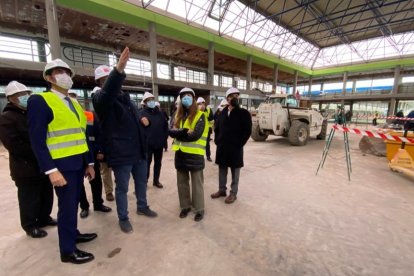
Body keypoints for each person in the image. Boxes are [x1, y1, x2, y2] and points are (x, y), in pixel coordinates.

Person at [27, 59, 97, 264]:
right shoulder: (40, 100)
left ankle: (73, 234)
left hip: (78, 164)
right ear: (49, 77)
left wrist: (90, 163)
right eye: (59, 72)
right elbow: (37, 140)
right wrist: (50, 170)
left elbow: (82, 135)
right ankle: (67, 250)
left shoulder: (74, 103)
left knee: (73, 204)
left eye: (67, 72)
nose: (65, 75)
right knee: (66, 207)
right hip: (61, 167)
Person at [92, 47, 157, 234]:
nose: (111, 84)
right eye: (105, 80)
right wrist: (118, 70)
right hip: (122, 153)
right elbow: (107, 93)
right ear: (100, 82)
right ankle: (123, 217)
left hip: (138, 151)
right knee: (122, 188)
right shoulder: (100, 99)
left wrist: (142, 121)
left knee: (141, 182)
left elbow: (136, 117)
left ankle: (142, 206)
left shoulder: (125, 98)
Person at [0, 81, 56, 238]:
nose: (24, 97)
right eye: (19, 95)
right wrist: (39, 151)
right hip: (25, 167)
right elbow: (13, 144)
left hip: (42, 165)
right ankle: (30, 225)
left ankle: (44, 218)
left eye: (26, 94)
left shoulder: (32, 113)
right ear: (11, 98)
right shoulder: (7, 118)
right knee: (29, 198)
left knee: (46, 193)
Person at [67, 92, 112, 219]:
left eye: (74, 99)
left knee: (96, 180)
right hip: (75, 155)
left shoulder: (90, 115)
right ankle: (84, 207)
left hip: (92, 154)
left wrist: (100, 151)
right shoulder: (65, 117)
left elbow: (100, 135)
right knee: (79, 183)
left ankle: (98, 204)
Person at [169, 87, 208, 221]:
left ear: (193, 98)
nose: (186, 98)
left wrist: (179, 132)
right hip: (180, 154)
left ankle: (199, 209)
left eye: (189, 95)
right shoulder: (176, 115)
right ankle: (185, 206)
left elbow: (195, 135)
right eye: (183, 96)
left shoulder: (201, 115)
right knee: (182, 182)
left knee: (197, 183)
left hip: (195, 155)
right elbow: (170, 131)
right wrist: (184, 132)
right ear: (180, 99)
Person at [211, 87, 252, 204]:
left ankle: (233, 193)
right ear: (227, 98)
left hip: (235, 148)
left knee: (235, 172)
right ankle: (222, 190)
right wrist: (217, 140)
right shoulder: (222, 112)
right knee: (222, 169)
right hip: (222, 147)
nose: (234, 98)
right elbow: (217, 128)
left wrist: (239, 143)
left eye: (236, 96)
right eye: (232, 96)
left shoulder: (244, 113)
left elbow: (247, 131)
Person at [93, 67, 115, 201]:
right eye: (103, 79)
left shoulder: (116, 97)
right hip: (104, 144)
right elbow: (98, 130)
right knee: (105, 170)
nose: (106, 81)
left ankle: (117, 186)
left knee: (118, 168)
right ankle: (108, 191)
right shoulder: (98, 101)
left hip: (116, 142)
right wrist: (100, 148)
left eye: (108, 78)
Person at [140, 92, 168, 189]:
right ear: (145, 102)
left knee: (158, 163)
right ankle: (145, 182)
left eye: (152, 99)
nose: (151, 101)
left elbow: (165, 127)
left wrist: (164, 139)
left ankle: (156, 181)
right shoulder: (141, 114)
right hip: (148, 144)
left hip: (159, 143)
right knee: (147, 164)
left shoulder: (160, 113)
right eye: (148, 100)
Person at [196, 97, 214, 162]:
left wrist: (209, 128)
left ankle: (208, 156)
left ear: (204, 104)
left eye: (201, 103)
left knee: (207, 144)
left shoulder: (208, 110)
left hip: (206, 131)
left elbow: (211, 120)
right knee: (198, 143)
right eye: (198, 104)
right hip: (198, 130)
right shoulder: (196, 111)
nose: (200, 105)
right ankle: (199, 156)